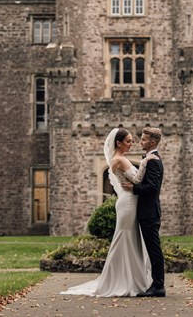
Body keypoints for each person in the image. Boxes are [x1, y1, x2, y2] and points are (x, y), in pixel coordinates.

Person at [60, 127, 159, 297]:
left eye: (131, 140)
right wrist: (145, 161)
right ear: (118, 143)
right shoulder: (120, 160)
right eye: (128, 141)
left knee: (131, 240)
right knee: (124, 239)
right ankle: (119, 280)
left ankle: (132, 280)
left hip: (129, 202)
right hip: (128, 203)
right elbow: (136, 180)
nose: (131, 144)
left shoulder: (119, 159)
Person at [122, 127, 165, 297]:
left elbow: (152, 188)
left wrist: (134, 188)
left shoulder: (153, 161)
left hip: (149, 213)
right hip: (147, 212)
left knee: (154, 249)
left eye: (144, 140)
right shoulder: (150, 159)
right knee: (152, 249)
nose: (141, 142)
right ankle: (155, 284)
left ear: (152, 142)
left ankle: (159, 287)